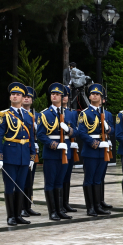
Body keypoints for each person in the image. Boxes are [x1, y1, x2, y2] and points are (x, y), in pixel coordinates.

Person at [0, 83, 35, 226]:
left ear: (23, 98)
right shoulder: (4, 114)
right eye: (13, 94)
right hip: (10, 154)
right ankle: (10, 216)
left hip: (24, 155)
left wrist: (32, 156)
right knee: (9, 186)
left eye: (18, 94)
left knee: (21, 186)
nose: (15, 96)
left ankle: (18, 215)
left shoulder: (28, 115)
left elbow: (31, 137)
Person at [35, 82, 74, 221]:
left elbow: (74, 131)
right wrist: (54, 145)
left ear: (62, 97)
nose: (55, 96)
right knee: (50, 183)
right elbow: (40, 135)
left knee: (60, 182)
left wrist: (68, 130)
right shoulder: (45, 114)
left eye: (57, 94)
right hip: (52, 153)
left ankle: (60, 210)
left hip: (65, 153)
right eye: (53, 94)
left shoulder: (68, 114)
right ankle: (52, 211)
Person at [75, 83, 114, 216]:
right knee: (89, 179)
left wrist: (108, 128)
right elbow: (82, 133)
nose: (94, 95)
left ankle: (98, 206)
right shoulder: (85, 114)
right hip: (91, 150)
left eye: (97, 94)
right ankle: (90, 207)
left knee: (99, 179)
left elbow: (112, 130)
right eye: (92, 94)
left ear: (102, 97)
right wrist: (95, 143)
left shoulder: (107, 114)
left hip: (103, 150)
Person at [19, 88, 41, 218]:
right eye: (25, 96)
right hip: (21, 149)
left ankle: (28, 206)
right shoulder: (16, 114)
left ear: (32, 100)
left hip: (33, 150)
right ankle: (21, 207)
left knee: (30, 179)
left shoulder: (37, 116)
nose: (27, 98)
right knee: (22, 178)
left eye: (29, 97)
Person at [60, 85, 79, 215]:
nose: (64, 98)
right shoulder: (52, 112)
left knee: (67, 177)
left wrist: (70, 132)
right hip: (59, 147)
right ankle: (59, 204)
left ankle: (65, 203)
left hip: (69, 147)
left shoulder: (72, 113)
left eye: (66, 95)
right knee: (59, 177)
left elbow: (77, 130)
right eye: (62, 95)